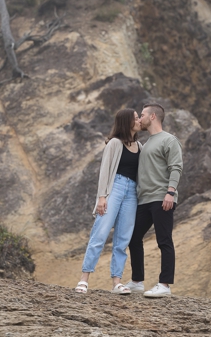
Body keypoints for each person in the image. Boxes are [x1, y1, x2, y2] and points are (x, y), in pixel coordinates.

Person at [75, 109, 140, 295]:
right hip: (115, 188)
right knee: (100, 233)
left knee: (123, 239)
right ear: (127, 122)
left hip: (131, 193)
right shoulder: (114, 143)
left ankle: (116, 282)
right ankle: (84, 279)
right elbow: (104, 171)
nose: (138, 120)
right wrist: (102, 197)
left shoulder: (140, 147)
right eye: (135, 118)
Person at [126, 102, 184, 298]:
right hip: (145, 199)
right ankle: (136, 281)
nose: (139, 118)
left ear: (152, 117)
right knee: (133, 237)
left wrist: (170, 192)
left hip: (162, 197)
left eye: (142, 115)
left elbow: (176, 167)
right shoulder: (147, 143)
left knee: (164, 240)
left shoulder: (169, 140)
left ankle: (164, 285)